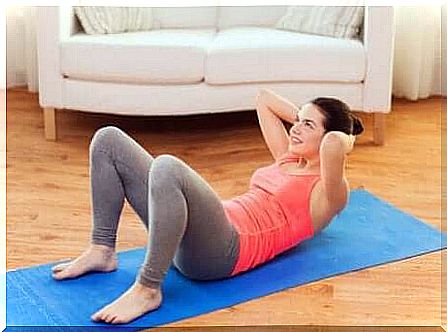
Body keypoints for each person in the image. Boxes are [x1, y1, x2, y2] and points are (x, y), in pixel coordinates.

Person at [51, 88, 364, 324]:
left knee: (168, 167)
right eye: (297, 121)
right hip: (198, 233)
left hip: (223, 253)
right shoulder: (287, 157)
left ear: (329, 137)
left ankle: (148, 289)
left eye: (307, 125)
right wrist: (306, 120)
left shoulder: (329, 192)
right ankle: (102, 250)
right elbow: (264, 99)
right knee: (108, 140)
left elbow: (335, 145)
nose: (294, 128)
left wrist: (346, 133)